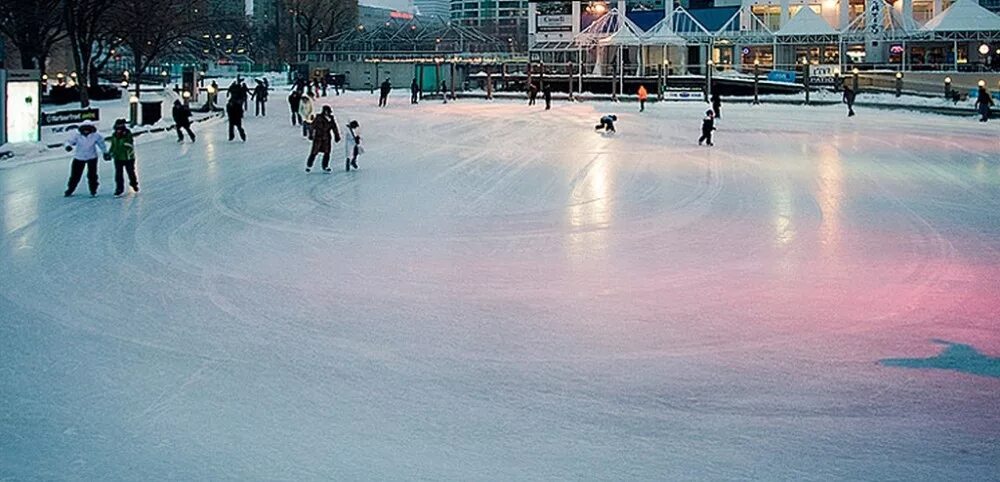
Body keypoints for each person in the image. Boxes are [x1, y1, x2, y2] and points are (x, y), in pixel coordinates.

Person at [63, 120, 107, 197]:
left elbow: (101, 143)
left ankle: (93, 189)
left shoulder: (96, 135)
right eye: (84, 129)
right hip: (79, 157)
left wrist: (105, 152)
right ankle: (70, 189)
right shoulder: (77, 135)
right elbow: (69, 141)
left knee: (92, 175)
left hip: (92, 157)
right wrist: (68, 146)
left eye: (88, 129)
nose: (86, 131)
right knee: (75, 175)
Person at [106, 118, 139, 197]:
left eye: (120, 128)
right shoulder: (114, 135)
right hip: (118, 158)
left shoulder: (127, 134)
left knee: (130, 172)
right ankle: (119, 189)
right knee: (118, 174)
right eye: (117, 128)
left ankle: (134, 184)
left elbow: (129, 144)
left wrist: (125, 144)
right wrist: (110, 153)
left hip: (128, 158)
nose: (118, 130)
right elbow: (113, 146)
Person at [305, 105, 342, 173]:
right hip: (318, 138)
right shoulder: (318, 117)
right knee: (314, 152)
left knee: (327, 153)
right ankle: (309, 166)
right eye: (326, 111)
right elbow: (312, 126)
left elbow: (334, 127)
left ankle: (325, 166)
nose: (327, 112)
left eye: (328, 111)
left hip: (327, 138)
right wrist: (311, 135)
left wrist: (337, 136)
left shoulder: (331, 118)